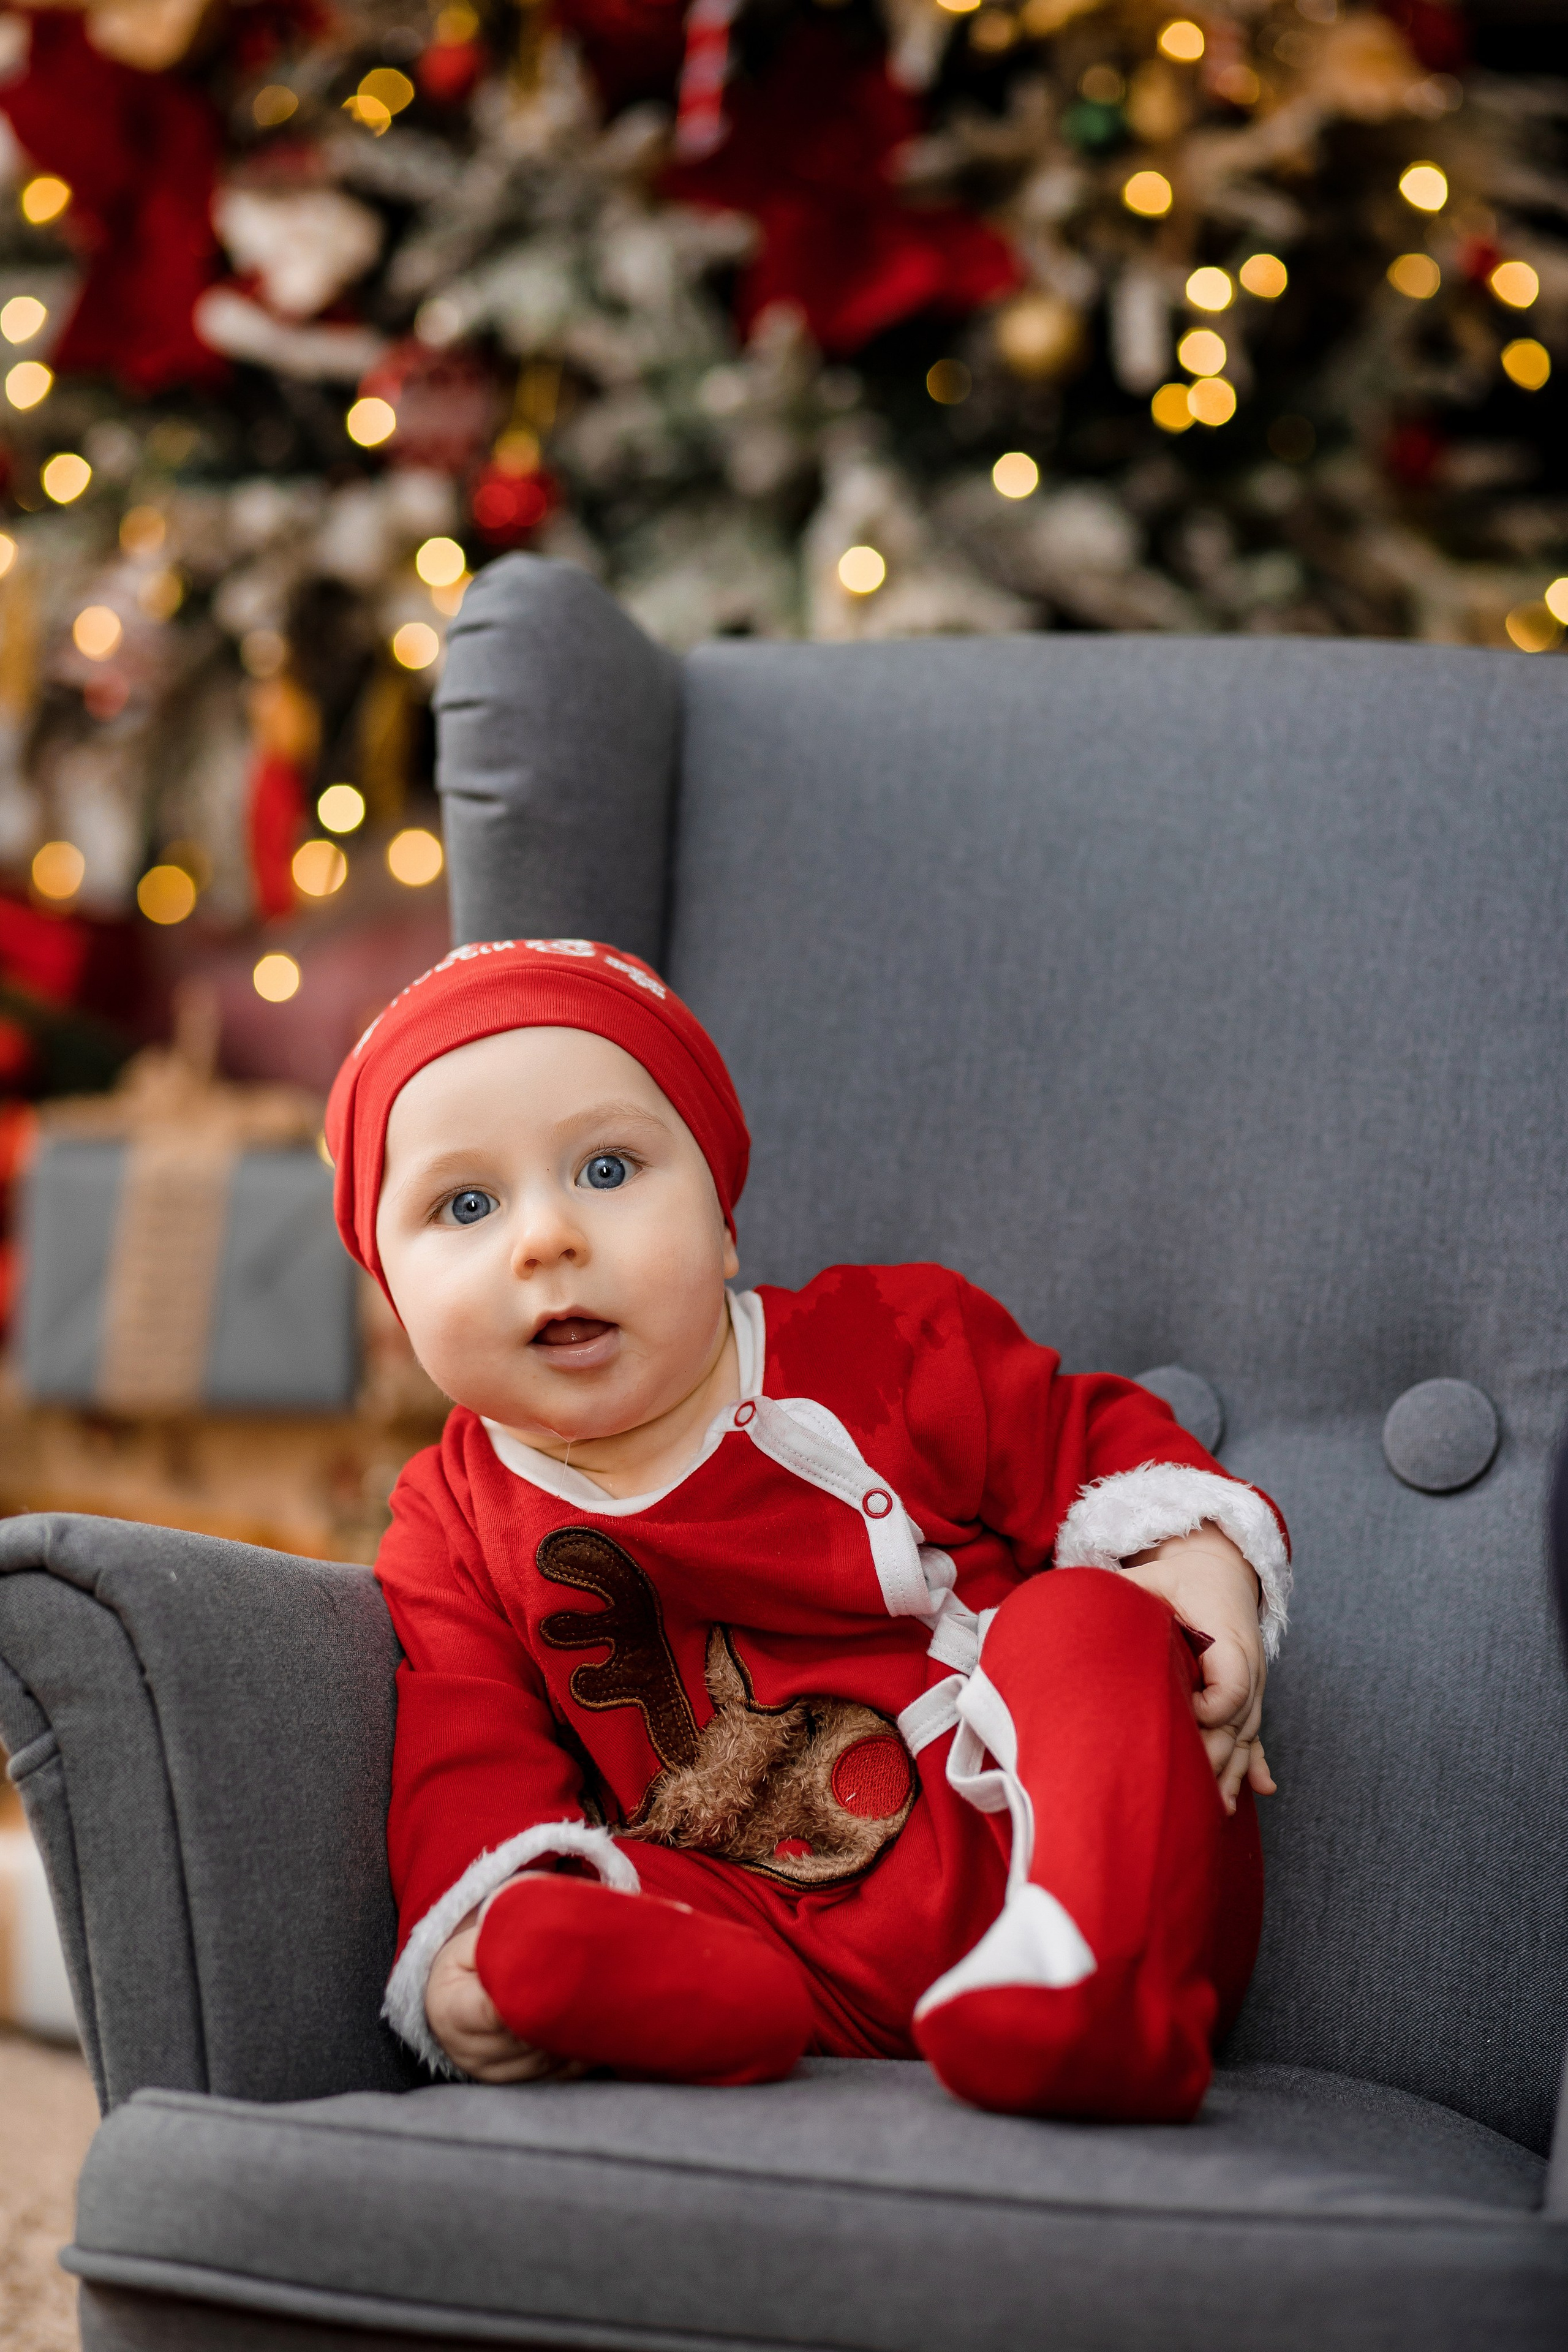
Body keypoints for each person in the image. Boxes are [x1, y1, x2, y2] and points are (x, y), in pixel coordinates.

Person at [325, 936, 1288, 2122]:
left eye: (609, 1169)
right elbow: (465, 1743)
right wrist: (470, 1932)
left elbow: (1100, 1445)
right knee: (550, 1911)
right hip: (765, 1907)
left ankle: (1092, 1987)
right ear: (391, 1294)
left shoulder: (889, 1339)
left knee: (1083, 1620)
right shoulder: (451, 1516)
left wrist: (1200, 1573)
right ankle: (705, 2005)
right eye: (464, 1204)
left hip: (1040, 1838)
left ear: (723, 1224)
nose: (546, 1238)